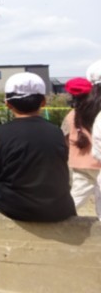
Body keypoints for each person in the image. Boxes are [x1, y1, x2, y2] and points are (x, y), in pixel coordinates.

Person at [0, 72, 76, 222]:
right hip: (58, 208)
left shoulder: (1, 133)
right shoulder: (56, 132)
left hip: (15, 207)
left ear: (7, 103)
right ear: (43, 102)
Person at [61, 77, 101, 218]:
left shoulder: (70, 115)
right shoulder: (97, 113)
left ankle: (60, 218)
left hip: (78, 163)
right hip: (98, 163)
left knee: (76, 196)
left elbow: (65, 137)